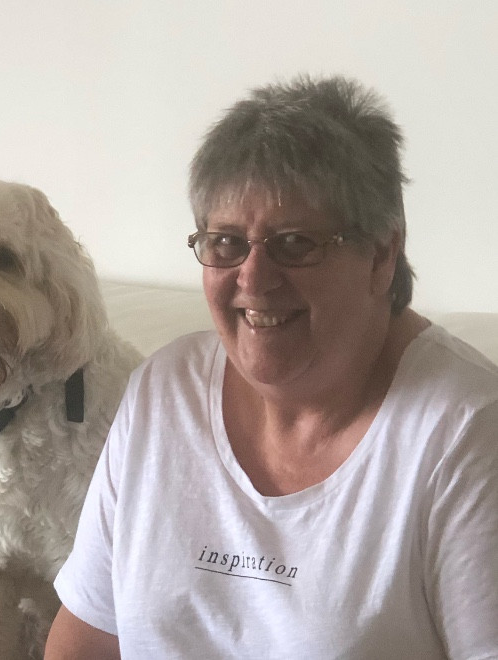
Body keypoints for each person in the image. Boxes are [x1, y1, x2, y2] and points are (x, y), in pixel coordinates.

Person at [45, 75, 498, 659]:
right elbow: (85, 639)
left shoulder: (466, 432)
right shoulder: (163, 391)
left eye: (295, 243)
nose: (254, 279)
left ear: (382, 253)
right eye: (226, 243)